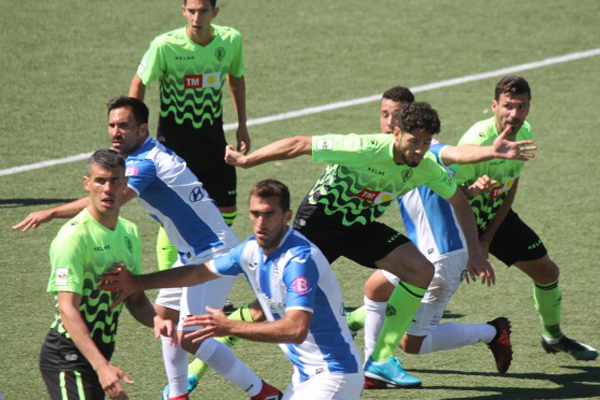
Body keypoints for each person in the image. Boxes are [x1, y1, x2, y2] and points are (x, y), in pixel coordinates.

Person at [223, 101, 508, 387]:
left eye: (424, 142)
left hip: (359, 227)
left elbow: (458, 201)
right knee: (268, 305)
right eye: (413, 141)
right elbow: (300, 144)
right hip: (321, 223)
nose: (419, 150)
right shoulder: (365, 148)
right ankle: (203, 356)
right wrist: (249, 160)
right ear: (397, 134)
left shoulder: (426, 167)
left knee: (421, 270)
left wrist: (475, 251)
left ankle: (380, 360)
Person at [14, 97, 280, 400]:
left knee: (191, 337)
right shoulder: (146, 155)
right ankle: (178, 395)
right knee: (164, 318)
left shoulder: (144, 163)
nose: (116, 132)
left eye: (124, 126)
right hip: (192, 255)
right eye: (112, 125)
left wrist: (51, 212)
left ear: (142, 129)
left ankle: (262, 393)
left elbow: (111, 199)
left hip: (214, 254)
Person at [101, 179, 363, 400]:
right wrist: (139, 282)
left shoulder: (298, 261)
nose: (261, 222)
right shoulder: (250, 250)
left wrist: (229, 327)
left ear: (287, 216)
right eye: (255, 214)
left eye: (269, 214)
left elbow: (295, 329)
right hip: (305, 374)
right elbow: (198, 272)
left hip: (334, 374)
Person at [347, 86, 533, 388]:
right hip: (421, 254)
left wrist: (488, 154)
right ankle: (374, 368)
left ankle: (492, 332)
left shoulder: (428, 150)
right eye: (384, 115)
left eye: (396, 116)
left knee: (413, 343)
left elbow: (454, 155)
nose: (388, 122)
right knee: (375, 288)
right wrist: (471, 190)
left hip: (443, 259)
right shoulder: (394, 152)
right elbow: (452, 189)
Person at [449, 76, 597, 361]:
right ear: (494, 106)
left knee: (547, 272)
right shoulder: (476, 142)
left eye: (521, 107)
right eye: (508, 106)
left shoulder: (524, 130)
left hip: (495, 216)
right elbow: (450, 197)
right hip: (458, 222)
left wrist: (489, 239)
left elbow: (510, 185)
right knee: (418, 281)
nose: (514, 114)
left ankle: (552, 336)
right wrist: (472, 245)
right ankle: (356, 322)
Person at [39, 149, 172, 400]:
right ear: (87, 183)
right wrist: (102, 368)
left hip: (99, 355)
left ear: (125, 184)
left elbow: (135, 298)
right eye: (100, 180)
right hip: (67, 359)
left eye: (115, 180)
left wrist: (156, 320)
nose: (108, 188)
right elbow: (68, 310)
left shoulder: (129, 233)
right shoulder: (73, 237)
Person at [129, 0, 249, 280]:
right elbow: (139, 81)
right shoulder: (164, 45)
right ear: (183, 11)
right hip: (175, 143)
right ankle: (174, 279)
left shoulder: (230, 40)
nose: (197, 17)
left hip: (212, 139)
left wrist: (242, 124)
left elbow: (236, 77)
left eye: (203, 11)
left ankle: (209, 270)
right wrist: (134, 128)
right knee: (175, 214)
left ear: (214, 12)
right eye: (192, 11)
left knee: (227, 207)